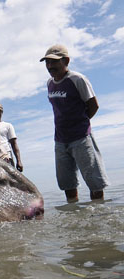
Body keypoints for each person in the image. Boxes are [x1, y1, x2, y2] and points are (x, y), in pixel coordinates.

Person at [40, 44, 109, 202]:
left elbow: (93, 105)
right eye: (47, 62)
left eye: (54, 62)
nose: (50, 66)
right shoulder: (49, 83)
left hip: (81, 138)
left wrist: (80, 124)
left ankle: (99, 216)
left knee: (95, 183)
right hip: (60, 141)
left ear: (66, 61)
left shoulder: (77, 79)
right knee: (67, 184)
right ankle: (73, 218)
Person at [0, 103, 23, 172]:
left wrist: (19, 161)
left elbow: (14, 144)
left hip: (6, 157)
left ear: (2, 112)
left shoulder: (7, 125)